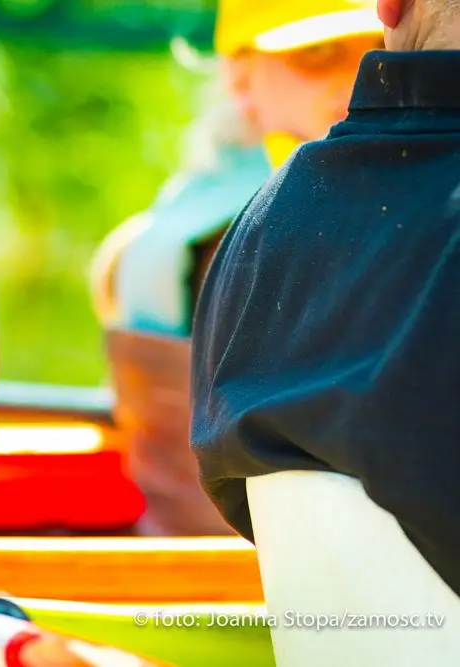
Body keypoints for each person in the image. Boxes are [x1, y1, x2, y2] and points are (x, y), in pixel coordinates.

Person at [191, 0, 460, 599]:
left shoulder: (256, 227)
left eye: (361, 45)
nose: (352, 70)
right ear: (239, 78)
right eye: (315, 55)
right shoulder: (207, 239)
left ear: (390, 10)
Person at [90, 0, 384, 537]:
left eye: (385, 48)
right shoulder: (283, 225)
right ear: (239, 77)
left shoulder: (189, 206)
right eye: (318, 54)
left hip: (189, 557)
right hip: (268, 586)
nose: (365, 74)